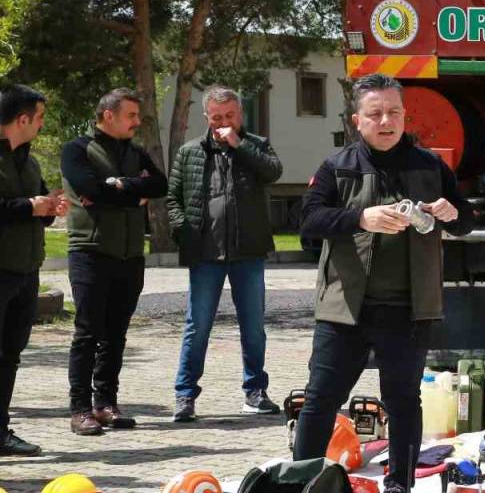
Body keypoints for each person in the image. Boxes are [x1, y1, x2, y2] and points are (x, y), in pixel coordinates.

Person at [294, 73, 474, 492]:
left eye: (394, 112)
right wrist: (360, 218)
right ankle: (299, 481)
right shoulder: (337, 167)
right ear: (358, 120)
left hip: (408, 308)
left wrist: (452, 213)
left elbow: (465, 221)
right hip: (345, 308)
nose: (386, 121)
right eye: (375, 113)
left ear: (405, 115)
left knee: (403, 401)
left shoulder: (430, 166)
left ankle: (400, 485)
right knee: (320, 399)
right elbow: (307, 221)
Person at [167, 85, 284, 422]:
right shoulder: (190, 152)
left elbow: (273, 172)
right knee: (197, 326)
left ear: (240, 114)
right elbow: (172, 198)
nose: (223, 123)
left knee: (253, 326)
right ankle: (185, 395)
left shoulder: (256, 145)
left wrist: (240, 145)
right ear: (206, 117)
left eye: (229, 116)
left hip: (248, 251)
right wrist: (182, 229)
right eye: (216, 117)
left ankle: (255, 391)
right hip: (204, 253)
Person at [60, 88, 167, 436]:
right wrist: (133, 193)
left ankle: (105, 403)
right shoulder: (78, 150)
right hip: (91, 252)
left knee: (116, 333)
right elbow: (90, 189)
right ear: (109, 115)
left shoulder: (135, 152)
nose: (138, 122)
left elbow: (160, 185)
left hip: (130, 254)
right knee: (88, 331)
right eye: (131, 116)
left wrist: (121, 185)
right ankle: (80, 409)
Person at [0, 85, 66, 456]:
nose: (42, 124)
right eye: (39, 117)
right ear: (22, 119)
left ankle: (1, 433)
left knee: (10, 354)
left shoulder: (30, 160)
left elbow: (34, 208)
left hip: (25, 272)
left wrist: (50, 207)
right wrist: (29, 206)